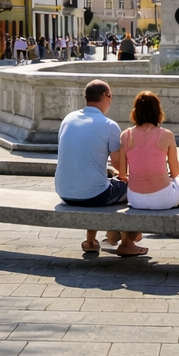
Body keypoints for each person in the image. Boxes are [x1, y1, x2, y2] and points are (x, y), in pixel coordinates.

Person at [54, 79, 144, 256]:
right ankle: (126, 241)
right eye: (110, 96)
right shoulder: (109, 125)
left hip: (64, 191)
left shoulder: (68, 119)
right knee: (131, 186)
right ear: (105, 96)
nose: (111, 100)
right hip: (94, 195)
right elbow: (120, 167)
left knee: (98, 181)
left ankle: (90, 241)